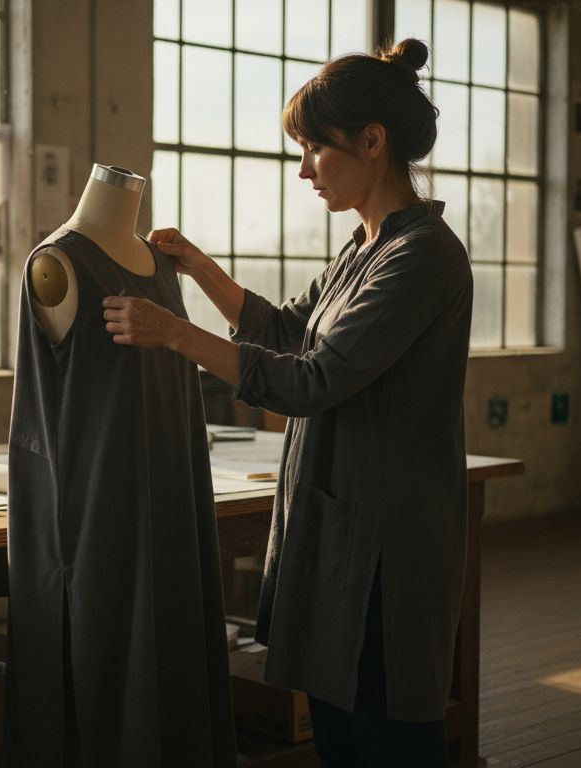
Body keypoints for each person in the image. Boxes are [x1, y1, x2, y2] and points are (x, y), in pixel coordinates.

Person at [102, 38, 471, 767]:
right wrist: (198, 268)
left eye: (314, 150)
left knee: (387, 726)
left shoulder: (421, 255)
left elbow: (311, 380)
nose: (303, 170)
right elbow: (288, 329)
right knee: (339, 719)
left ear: (372, 142)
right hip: (343, 523)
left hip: (389, 540)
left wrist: (175, 333)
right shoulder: (364, 247)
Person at [6, 164, 235, 766]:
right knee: (111, 664)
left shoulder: (162, 266)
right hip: (98, 503)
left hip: (174, 492)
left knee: (174, 648)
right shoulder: (57, 264)